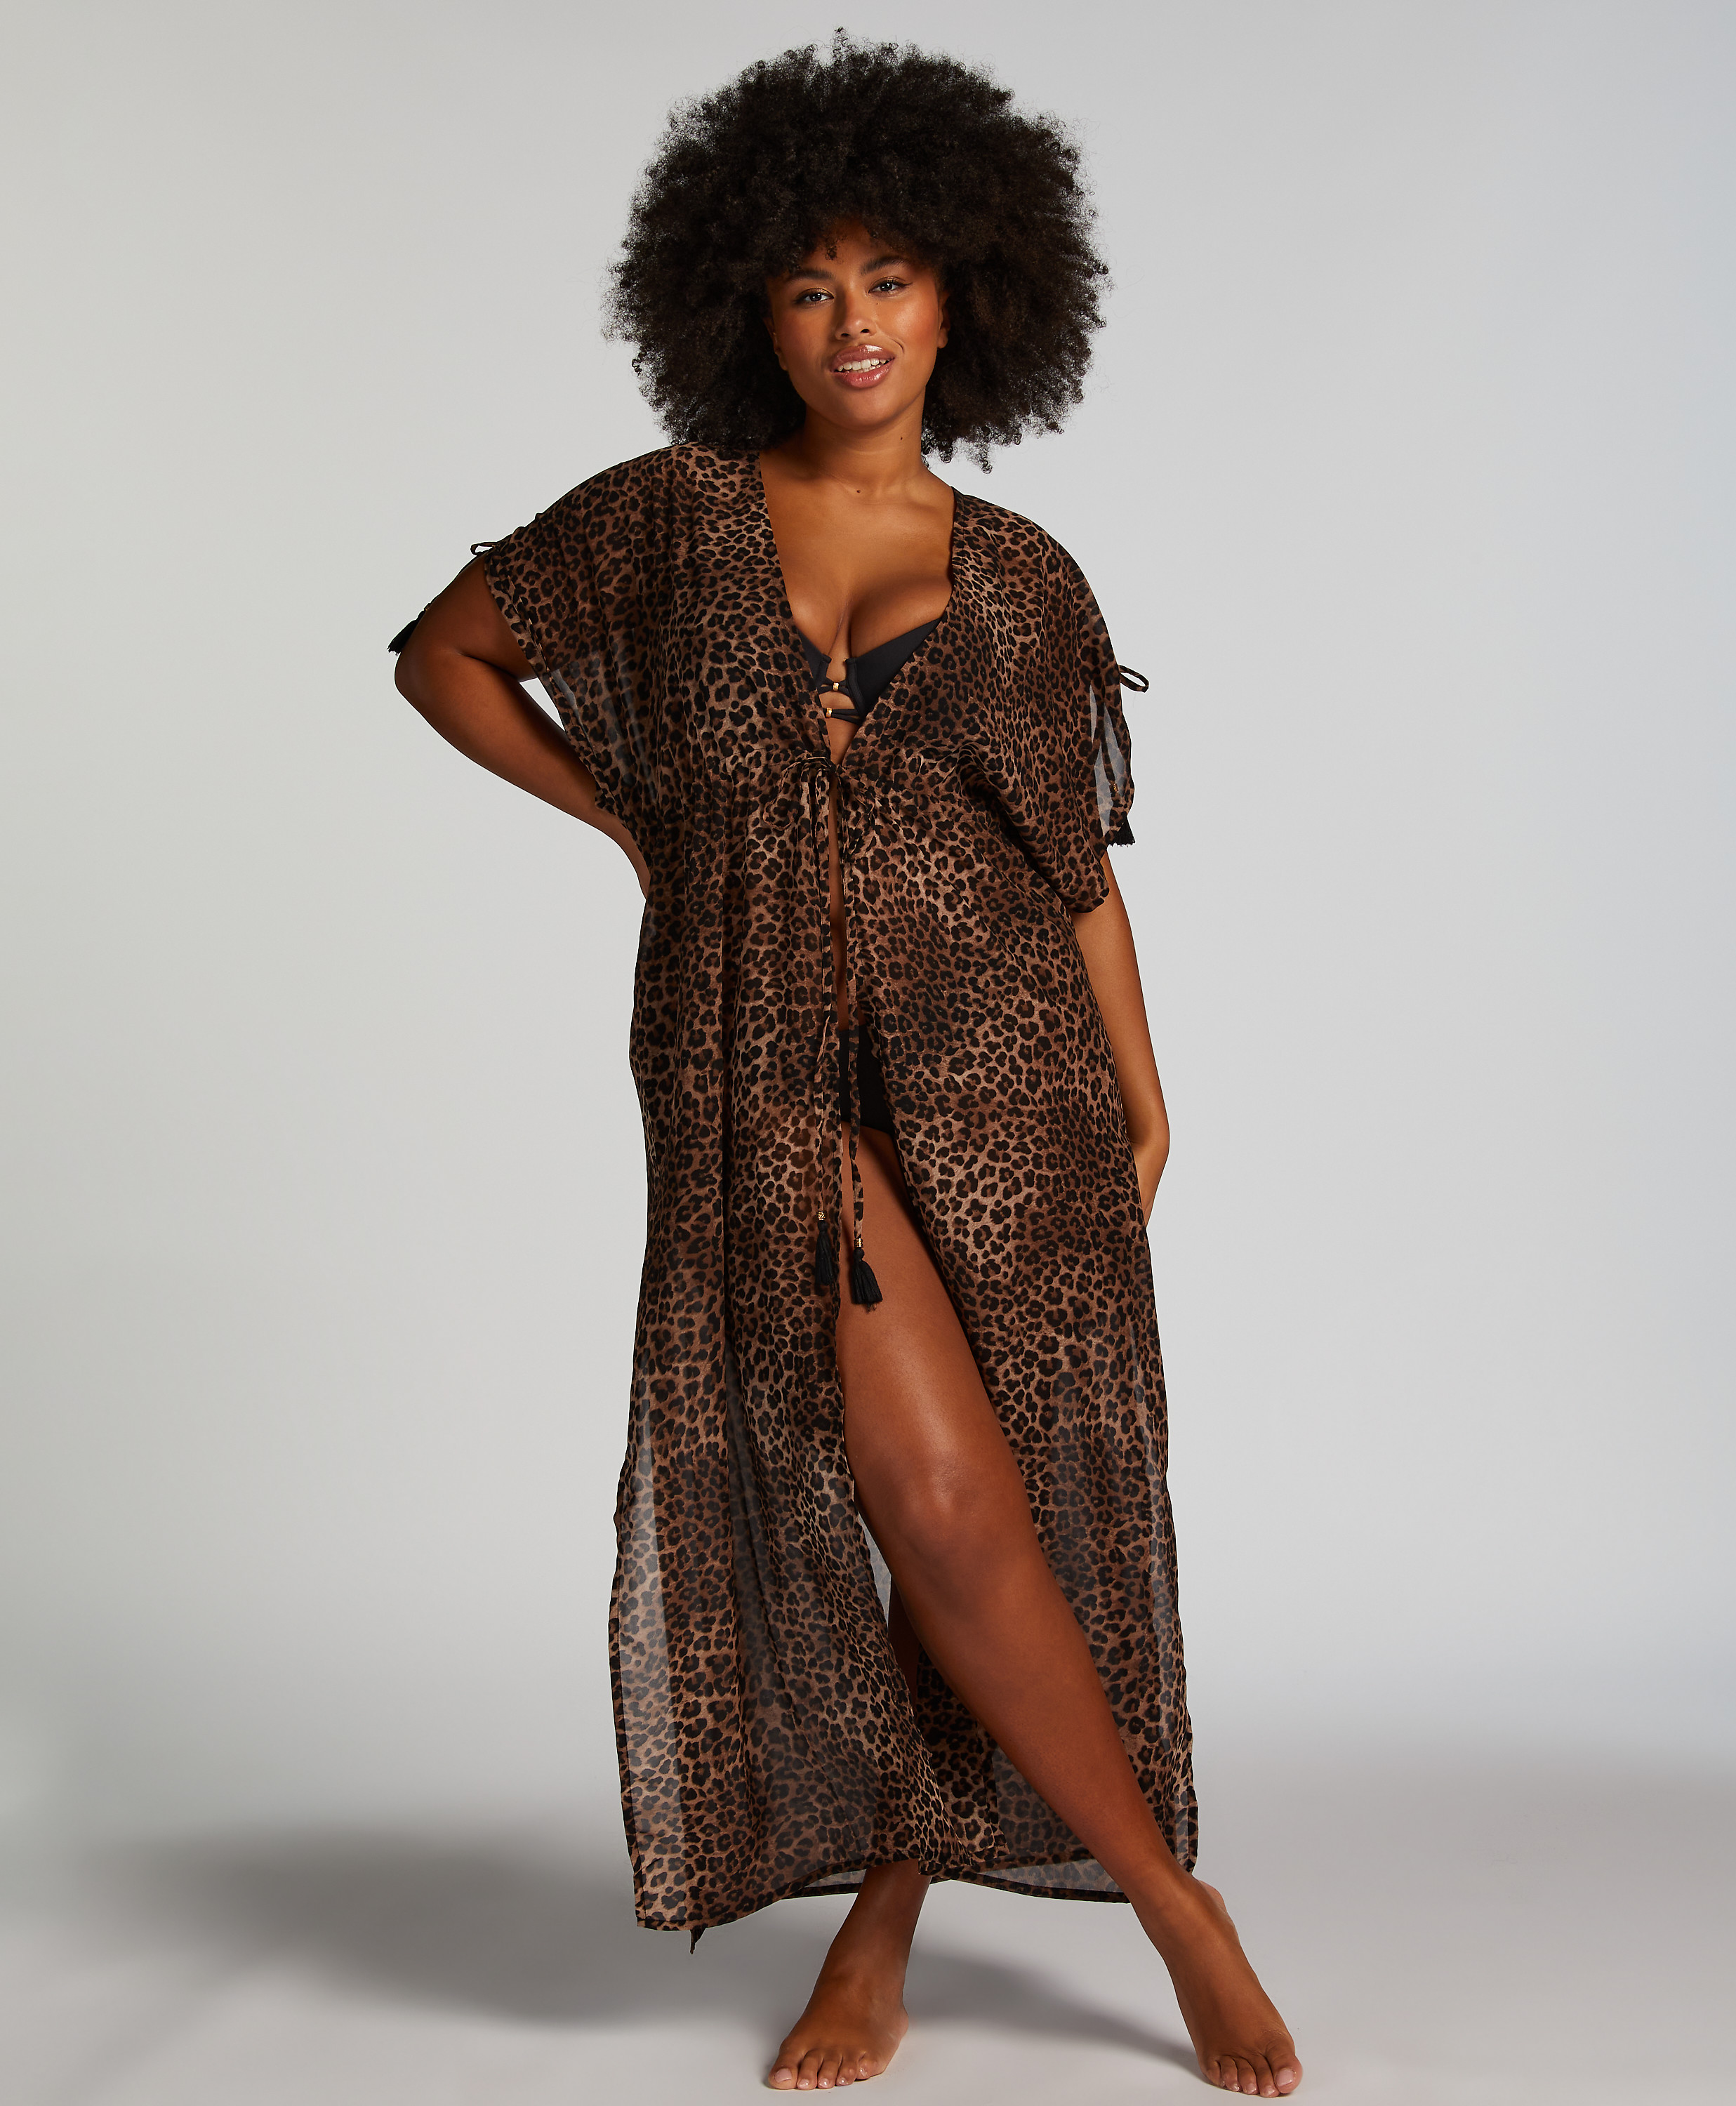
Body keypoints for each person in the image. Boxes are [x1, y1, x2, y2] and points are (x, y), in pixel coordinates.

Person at [393, 35, 1301, 2098]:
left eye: (889, 277)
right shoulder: (667, 519)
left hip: (1017, 1086)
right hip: (758, 1074)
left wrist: (1148, 1092)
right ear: (749, 310)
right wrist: (635, 820)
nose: (852, 320)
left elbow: (1076, 873)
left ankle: (888, 1909)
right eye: (809, 285)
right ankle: (1176, 1908)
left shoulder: (1027, 578)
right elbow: (442, 653)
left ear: (965, 297)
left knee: (997, 1512)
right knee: (936, 1501)